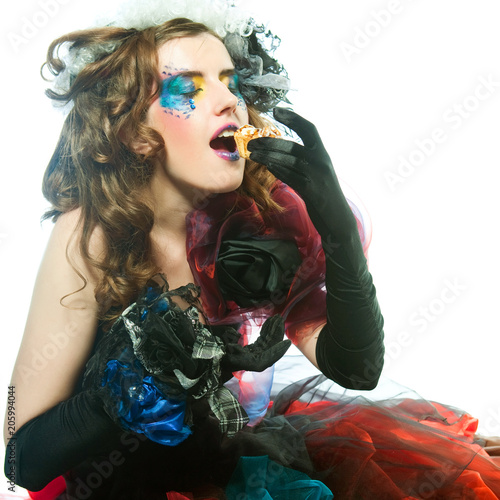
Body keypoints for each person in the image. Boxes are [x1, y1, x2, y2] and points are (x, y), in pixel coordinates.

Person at [3, 2, 499, 499]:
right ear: (134, 132)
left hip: (226, 478)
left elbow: (356, 368)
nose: (228, 102)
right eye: (190, 87)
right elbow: (21, 460)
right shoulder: (91, 234)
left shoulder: (255, 225)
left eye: (230, 82)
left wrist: (338, 233)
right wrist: (123, 389)